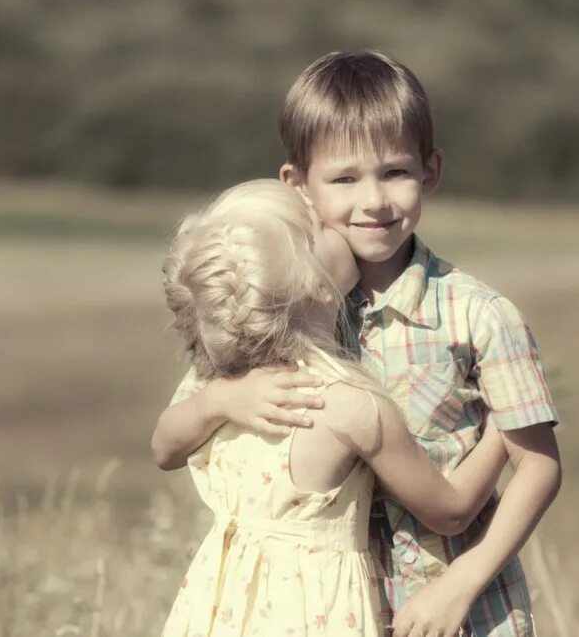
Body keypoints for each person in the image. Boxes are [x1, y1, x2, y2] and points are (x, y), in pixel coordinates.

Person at [153, 50, 562, 637]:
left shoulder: (480, 316)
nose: (373, 201)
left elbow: (539, 467)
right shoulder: (279, 306)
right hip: (322, 609)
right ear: (297, 185)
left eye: (394, 172)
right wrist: (224, 400)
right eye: (344, 179)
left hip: (452, 608)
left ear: (431, 170)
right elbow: (168, 442)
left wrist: (462, 582)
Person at [159, 179, 512, 637]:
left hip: (219, 613)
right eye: (321, 226)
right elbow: (449, 511)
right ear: (314, 284)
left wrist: (218, 400)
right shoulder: (351, 407)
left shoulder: (225, 382)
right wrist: (505, 424)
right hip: (314, 616)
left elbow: (163, 449)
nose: (341, 226)